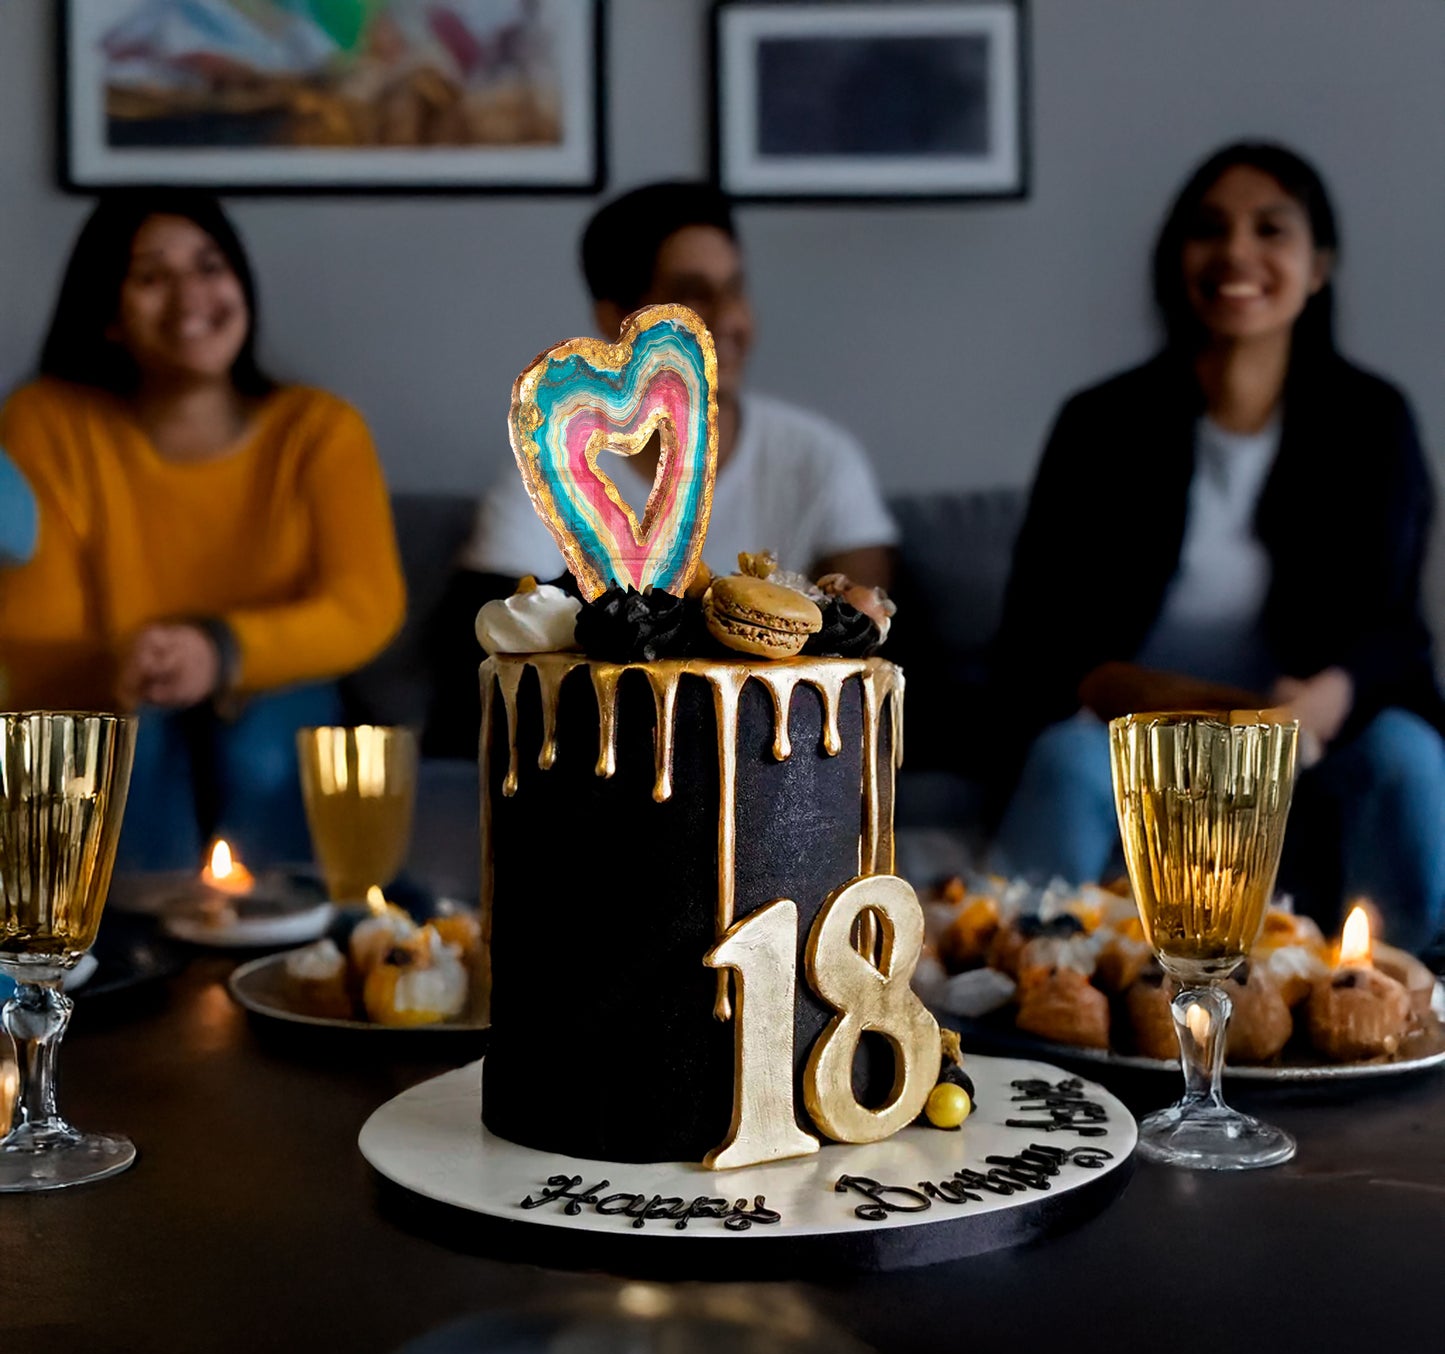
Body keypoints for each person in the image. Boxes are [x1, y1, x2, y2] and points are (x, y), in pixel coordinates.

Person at [989, 140, 1445, 952]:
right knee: (1063, 758)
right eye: (1209, 229)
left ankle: (1409, 1004)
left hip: (1311, 749)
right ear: (1176, 259)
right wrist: (1199, 713)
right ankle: (1018, 981)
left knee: (1407, 755)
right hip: (1135, 741)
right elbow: (1037, 642)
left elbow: (1394, 636)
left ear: (1316, 267)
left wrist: (1312, 707)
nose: (1236, 251)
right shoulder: (1098, 424)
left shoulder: (1371, 421)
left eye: (1270, 229)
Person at [0, 190, 405, 870]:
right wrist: (137, 662)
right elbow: (31, 635)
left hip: (277, 696)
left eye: (210, 266)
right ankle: (120, 961)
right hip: (113, 692)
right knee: (129, 745)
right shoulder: (46, 422)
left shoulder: (319, 429)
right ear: (107, 313)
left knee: (263, 744)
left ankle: (292, 952)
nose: (190, 297)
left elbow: (366, 606)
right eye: (152, 276)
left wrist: (219, 651)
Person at [424, 181, 898, 755]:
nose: (727, 320)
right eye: (693, 296)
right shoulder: (554, 468)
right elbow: (489, 633)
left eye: (736, 289)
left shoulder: (820, 459)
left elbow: (864, 632)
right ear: (616, 319)